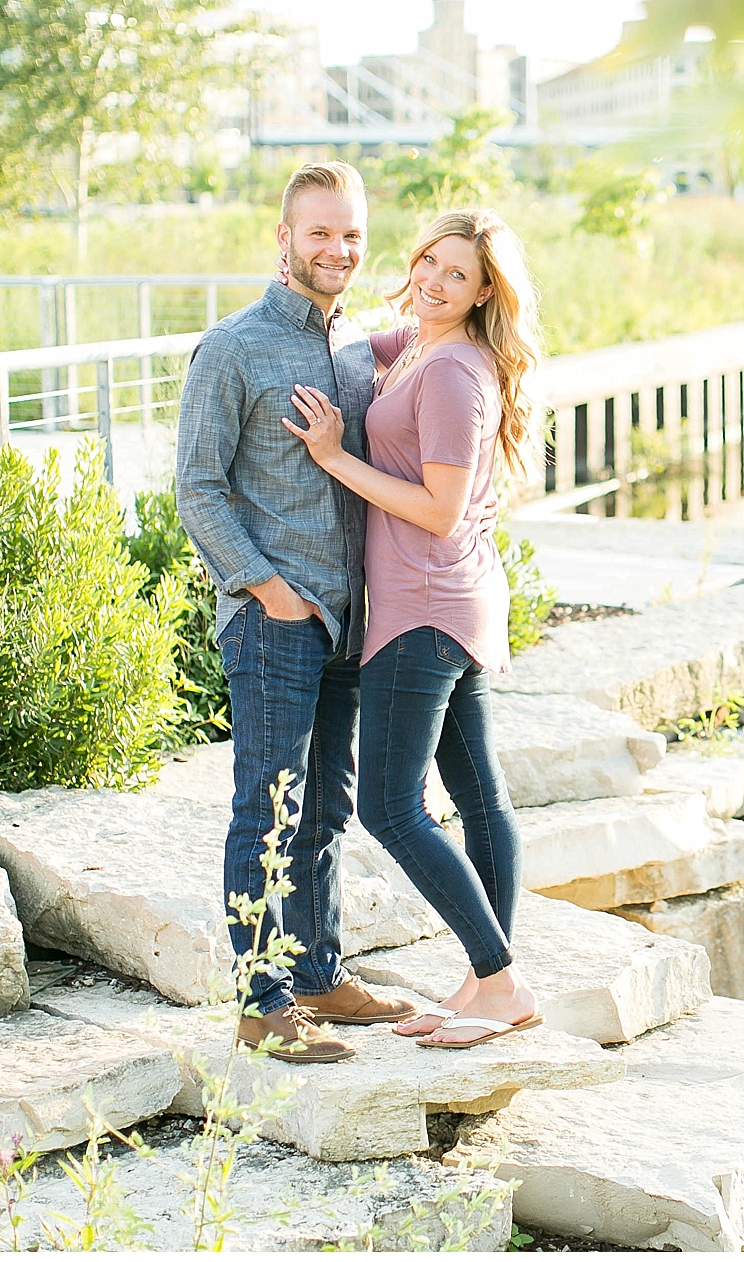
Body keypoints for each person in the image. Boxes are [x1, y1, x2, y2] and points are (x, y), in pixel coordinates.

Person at [175, 161, 421, 1063]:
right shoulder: (232, 348)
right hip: (273, 617)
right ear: (284, 239)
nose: (339, 250)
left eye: (352, 234)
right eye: (320, 233)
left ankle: (318, 973)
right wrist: (266, 588)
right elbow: (197, 490)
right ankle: (260, 1000)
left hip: (351, 622)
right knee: (267, 805)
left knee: (327, 808)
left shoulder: (359, 351)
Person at [282, 208, 542, 1049]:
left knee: (394, 809)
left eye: (457, 274)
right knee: (476, 796)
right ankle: (483, 982)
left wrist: (332, 459)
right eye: (429, 259)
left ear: (483, 294)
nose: (432, 279)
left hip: (423, 605)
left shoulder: (455, 372)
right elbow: (360, 347)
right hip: (451, 601)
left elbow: (438, 509)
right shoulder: (421, 347)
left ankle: (499, 982)